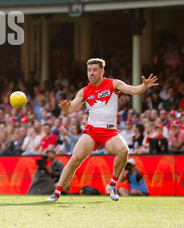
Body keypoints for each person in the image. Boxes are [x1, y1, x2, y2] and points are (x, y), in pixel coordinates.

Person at [46, 58, 157, 202]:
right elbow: (71, 108)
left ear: (102, 71)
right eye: (89, 70)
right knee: (74, 160)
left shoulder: (113, 84)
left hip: (109, 132)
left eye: (94, 70)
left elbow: (134, 90)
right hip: (91, 131)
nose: (91, 73)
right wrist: (67, 109)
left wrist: (144, 86)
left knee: (123, 151)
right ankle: (57, 193)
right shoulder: (84, 91)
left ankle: (112, 184)